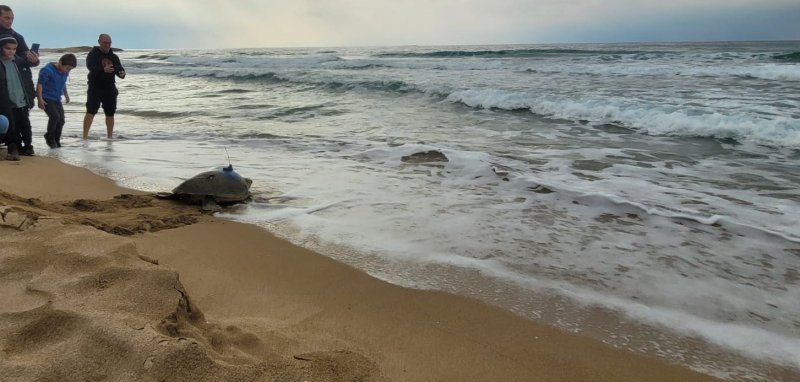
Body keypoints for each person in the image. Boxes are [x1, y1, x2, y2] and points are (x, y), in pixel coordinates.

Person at [0, 5, 37, 155]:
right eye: (6, 18)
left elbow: (25, 59)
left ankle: (24, 146)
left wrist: (33, 60)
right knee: (7, 117)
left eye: (12, 18)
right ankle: (12, 145)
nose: (10, 21)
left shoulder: (17, 36)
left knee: (22, 120)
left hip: (18, 83)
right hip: (3, 85)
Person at [83, 33, 125, 140]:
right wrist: (103, 69)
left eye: (109, 43)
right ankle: (84, 137)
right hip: (95, 87)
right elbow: (90, 67)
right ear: (99, 42)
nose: (107, 45)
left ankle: (110, 138)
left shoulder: (114, 56)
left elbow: (119, 69)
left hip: (110, 87)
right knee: (91, 111)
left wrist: (122, 74)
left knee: (110, 113)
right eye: (105, 43)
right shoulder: (92, 54)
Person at [37, 53, 77, 148]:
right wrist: (40, 99)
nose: (68, 71)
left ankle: (57, 139)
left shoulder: (65, 72)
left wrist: (66, 94)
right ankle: (50, 137)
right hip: (46, 98)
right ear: (60, 62)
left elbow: (63, 83)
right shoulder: (47, 70)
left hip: (56, 98)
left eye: (70, 69)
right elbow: (40, 84)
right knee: (55, 117)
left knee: (61, 120)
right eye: (67, 68)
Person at [0, 35, 21, 160]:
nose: (11, 51)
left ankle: (12, 147)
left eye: (14, 49)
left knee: (6, 119)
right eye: (8, 48)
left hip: (3, 95)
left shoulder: (7, 63)